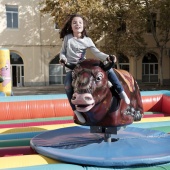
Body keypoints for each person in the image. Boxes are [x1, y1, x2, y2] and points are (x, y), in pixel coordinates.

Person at [59, 14, 130, 123]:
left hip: (84, 66)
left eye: (80, 22)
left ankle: (121, 92)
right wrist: (63, 59)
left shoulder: (87, 40)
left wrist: (107, 57)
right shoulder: (67, 38)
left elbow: (97, 53)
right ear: (71, 26)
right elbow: (63, 52)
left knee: (107, 68)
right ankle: (77, 112)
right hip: (72, 68)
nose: (77, 24)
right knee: (68, 85)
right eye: (74, 22)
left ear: (83, 26)